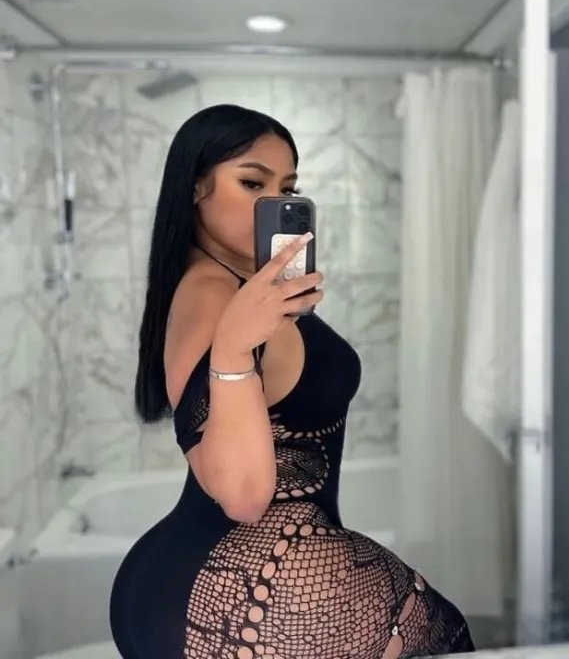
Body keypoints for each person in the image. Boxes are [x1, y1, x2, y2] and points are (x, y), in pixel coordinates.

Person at [109, 104, 475, 658]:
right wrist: (234, 347)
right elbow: (242, 497)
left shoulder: (237, 286)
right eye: (252, 183)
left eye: (287, 188)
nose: (274, 203)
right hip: (243, 585)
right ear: (195, 187)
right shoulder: (212, 293)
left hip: (198, 579)